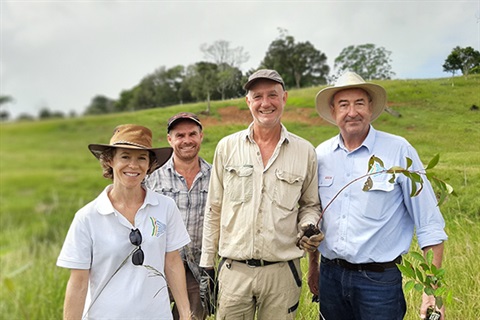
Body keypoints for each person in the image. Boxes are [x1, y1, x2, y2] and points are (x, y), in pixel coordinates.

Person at [308, 71, 448, 320]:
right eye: (344, 104)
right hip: (331, 277)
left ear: (370, 108)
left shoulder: (398, 151)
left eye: (359, 103)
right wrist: (313, 266)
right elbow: (314, 216)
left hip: (379, 283)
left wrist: (431, 290)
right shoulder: (321, 155)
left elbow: (430, 223)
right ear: (333, 111)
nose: (352, 112)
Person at [199, 69, 324, 319]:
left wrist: (309, 224)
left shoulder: (305, 151)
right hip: (235, 273)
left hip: (282, 273)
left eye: (272, 95)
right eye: (257, 97)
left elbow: (310, 204)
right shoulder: (227, 147)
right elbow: (214, 208)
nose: (265, 103)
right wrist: (206, 266)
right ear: (248, 101)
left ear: (284, 98)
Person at [57, 124, 192, 320]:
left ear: (150, 165)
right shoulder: (88, 217)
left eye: (141, 158)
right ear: (110, 160)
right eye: (125, 157)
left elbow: (172, 262)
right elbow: (78, 283)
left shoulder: (165, 207)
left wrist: (186, 314)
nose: (133, 165)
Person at [145, 112, 211, 320]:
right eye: (180, 135)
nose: (187, 141)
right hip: (157, 269)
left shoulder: (214, 176)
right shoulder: (152, 176)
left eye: (192, 134)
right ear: (169, 139)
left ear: (201, 136)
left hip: (196, 271)